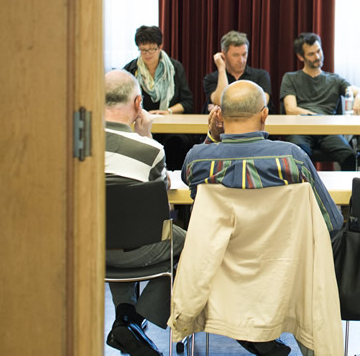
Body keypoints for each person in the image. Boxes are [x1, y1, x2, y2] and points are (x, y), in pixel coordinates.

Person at [182, 80, 344, 356]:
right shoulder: (291, 158)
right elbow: (332, 222)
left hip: (220, 275)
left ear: (219, 115)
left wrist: (212, 136)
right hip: (287, 275)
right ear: (265, 114)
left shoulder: (199, 160)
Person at [104, 70, 186, 356]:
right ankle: (139, 317)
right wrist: (147, 135)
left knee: (115, 225)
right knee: (188, 241)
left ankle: (125, 316)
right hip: (137, 250)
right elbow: (160, 193)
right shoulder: (150, 150)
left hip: (87, 249)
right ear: (138, 103)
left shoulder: (76, 145)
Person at [280, 32, 360, 171]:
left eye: (319, 51)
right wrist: (317, 118)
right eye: (311, 54)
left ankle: (348, 192)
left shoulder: (334, 79)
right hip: (300, 128)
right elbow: (291, 109)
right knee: (298, 156)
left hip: (328, 131)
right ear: (300, 56)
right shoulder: (290, 78)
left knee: (349, 156)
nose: (317, 57)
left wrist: (358, 98)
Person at [124, 25, 195, 168]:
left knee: (177, 141)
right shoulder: (130, 70)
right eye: (143, 50)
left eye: (152, 49)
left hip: (171, 127)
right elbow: (124, 102)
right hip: (141, 124)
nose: (147, 54)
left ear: (160, 47)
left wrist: (168, 111)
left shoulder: (175, 68)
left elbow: (187, 102)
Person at [203, 30, 272, 111]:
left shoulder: (261, 75)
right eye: (235, 55)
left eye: (244, 54)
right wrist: (221, 69)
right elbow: (219, 101)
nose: (241, 60)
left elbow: (261, 104)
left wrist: (225, 108)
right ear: (224, 54)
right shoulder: (211, 78)